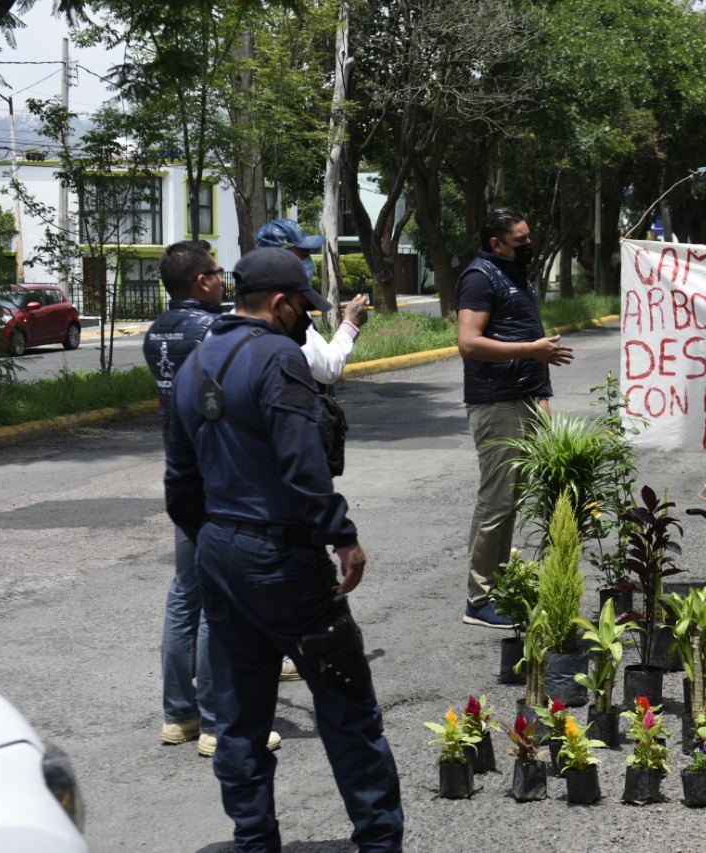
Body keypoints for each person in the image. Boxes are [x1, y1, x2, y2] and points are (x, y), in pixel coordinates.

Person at [164, 247, 403, 852]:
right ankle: (379, 843)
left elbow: (179, 481)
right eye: (304, 307)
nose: (307, 318)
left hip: (218, 550)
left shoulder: (194, 364)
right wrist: (341, 536)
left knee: (242, 717)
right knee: (348, 705)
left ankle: (254, 841)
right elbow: (302, 464)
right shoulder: (277, 356)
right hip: (280, 557)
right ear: (280, 303)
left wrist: (217, 540)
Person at [143, 240, 283, 756]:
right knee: (217, 600)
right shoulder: (213, 332)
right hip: (219, 479)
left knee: (185, 595)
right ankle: (219, 723)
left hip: (181, 472)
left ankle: (178, 714)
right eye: (220, 273)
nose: (225, 281)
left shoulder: (158, 330)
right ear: (203, 282)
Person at [255, 217, 367, 680]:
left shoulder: (227, 333)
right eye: (300, 258)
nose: (307, 267)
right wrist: (350, 325)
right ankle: (294, 647)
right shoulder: (288, 329)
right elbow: (328, 367)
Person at [456, 208, 574, 628]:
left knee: (511, 501)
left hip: (522, 399)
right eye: (521, 240)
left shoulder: (514, 274)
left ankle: (499, 591)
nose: (529, 245)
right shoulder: (479, 277)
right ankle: (478, 599)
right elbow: (469, 342)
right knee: (496, 500)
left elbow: (525, 335)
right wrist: (532, 352)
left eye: (528, 237)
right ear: (496, 243)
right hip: (495, 403)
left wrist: (540, 395)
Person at [255, 218, 369, 384]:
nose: (308, 262)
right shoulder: (288, 311)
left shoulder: (243, 308)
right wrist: (350, 323)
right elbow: (328, 368)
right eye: (303, 255)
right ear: (280, 258)